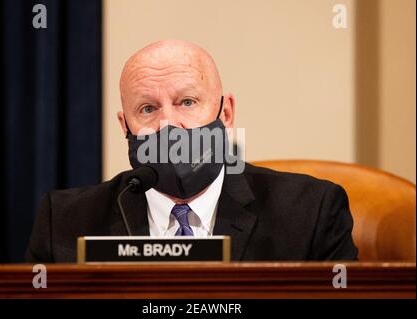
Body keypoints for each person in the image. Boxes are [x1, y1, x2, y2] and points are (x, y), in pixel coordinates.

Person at [26, 39, 358, 262]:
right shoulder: (65, 221)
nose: (168, 126)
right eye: (147, 109)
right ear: (124, 125)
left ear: (225, 114)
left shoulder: (311, 212)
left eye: (187, 102)